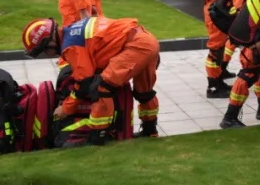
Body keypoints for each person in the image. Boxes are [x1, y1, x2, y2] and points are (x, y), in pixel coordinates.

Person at [21, 15, 161, 140]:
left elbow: (84, 82)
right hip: (146, 40)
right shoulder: (73, 32)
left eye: (43, 50)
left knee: (101, 87)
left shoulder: (71, 46)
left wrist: (65, 109)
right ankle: (150, 132)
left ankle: (99, 136)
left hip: (136, 47)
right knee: (144, 93)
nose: (46, 54)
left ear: (51, 41)